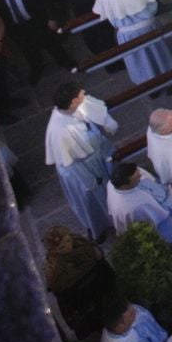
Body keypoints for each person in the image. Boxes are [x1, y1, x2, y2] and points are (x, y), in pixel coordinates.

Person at [47, 83, 118, 238]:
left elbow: (95, 111)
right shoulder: (61, 133)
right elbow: (71, 164)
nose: (84, 94)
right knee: (94, 200)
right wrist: (91, 181)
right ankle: (100, 228)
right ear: (73, 102)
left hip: (96, 157)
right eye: (80, 94)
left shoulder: (71, 108)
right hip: (84, 171)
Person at [94, 0, 172, 87]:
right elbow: (153, 5)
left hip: (126, 34)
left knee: (141, 62)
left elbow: (109, 17)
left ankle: (149, 87)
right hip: (148, 27)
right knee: (160, 54)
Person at [106, 161, 172, 243]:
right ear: (125, 184)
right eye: (137, 177)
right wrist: (171, 197)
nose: (141, 176)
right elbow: (159, 219)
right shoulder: (138, 205)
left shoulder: (111, 184)